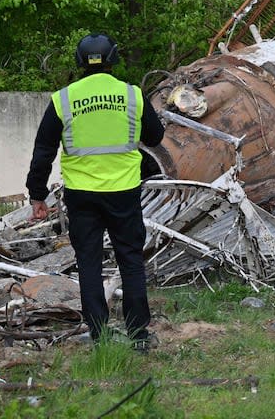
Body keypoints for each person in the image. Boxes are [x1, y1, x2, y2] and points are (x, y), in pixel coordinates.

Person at [26, 33, 165, 349]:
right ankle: (139, 334)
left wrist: (37, 194)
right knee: (130, 259)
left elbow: (43, 149)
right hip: (124, 192)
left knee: (88, 262)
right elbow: (155, 138)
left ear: (78, 62)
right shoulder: (132, 96)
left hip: (81, 194)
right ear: (113, 59)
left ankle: (99, 334)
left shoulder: (64, 99)